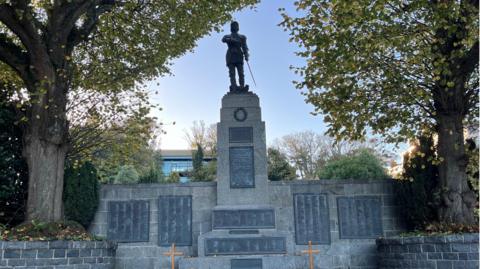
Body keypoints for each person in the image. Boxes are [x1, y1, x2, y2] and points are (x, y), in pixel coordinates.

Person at [222, 21, 249, 92]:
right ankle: (234, 86)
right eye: (233, 26)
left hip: (239, 55)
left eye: (236, 26)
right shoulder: (227, 36)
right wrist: (231, 40)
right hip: (230, 55)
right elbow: (223, 39)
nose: (234, 27)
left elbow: (244, 46)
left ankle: (242, 86)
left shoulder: (242, 37)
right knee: (232, 73)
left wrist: (246, 55)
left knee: (241, 73)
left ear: (238, 27)